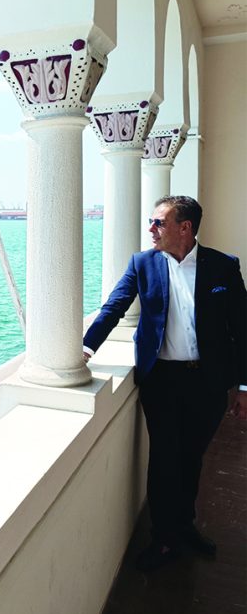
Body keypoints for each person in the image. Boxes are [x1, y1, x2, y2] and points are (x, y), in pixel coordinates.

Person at [83, 195, 246, 572]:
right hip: (162, 381)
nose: (151, 229)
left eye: (159, 222)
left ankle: (184, 526)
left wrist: (243, 387)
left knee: (191, 457)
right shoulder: (142, 263)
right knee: (163, 460)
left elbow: (242, 327)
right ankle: (163, 539)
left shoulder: (223, 266)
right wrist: (86, 348)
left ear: (185, 228)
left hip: (208, 382)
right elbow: (114, 307)